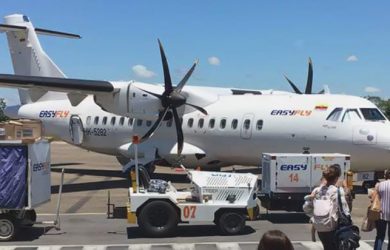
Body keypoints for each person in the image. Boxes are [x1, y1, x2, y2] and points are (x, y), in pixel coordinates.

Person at [303, 164, 350, 250]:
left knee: (327, 247)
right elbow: (345, 210)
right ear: (336, 178)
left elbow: (306, 208)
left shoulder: (316, 191)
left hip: (320, 228)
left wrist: (315, 217)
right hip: (333, 228)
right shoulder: (337, 191)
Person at [374, 169, 390, 250]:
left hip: (381, 213)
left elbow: (373, 198)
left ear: (386, 176)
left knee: (380, 236)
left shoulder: (379, 185)